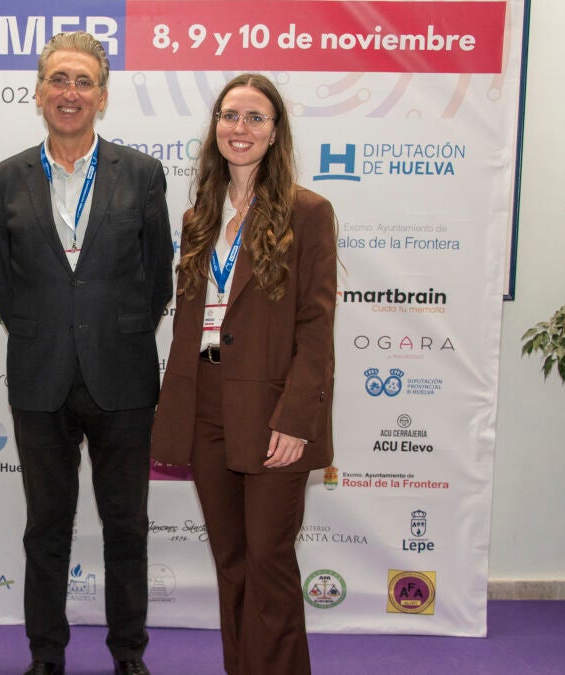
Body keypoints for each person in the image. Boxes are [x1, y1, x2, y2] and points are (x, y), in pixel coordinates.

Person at [0, 31, 173, 675]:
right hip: (40, 378)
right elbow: (2, 281)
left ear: (102, 95)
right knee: (45, 528)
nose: (70, 93)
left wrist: (110, 332)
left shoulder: (141, 174)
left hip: (122, 377)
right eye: (58, 80)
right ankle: (46, 655)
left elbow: (157, 279)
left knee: (127, 526)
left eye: (83, 81)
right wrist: (49, 332)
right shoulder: (5, 178)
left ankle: (128, 653)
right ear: (39, 92)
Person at [149, 74, 337, 675]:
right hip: (206, 403)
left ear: (275, 132)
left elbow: (316, 326)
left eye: (256, 118)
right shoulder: (199, 216)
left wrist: (297, 419)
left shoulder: (308, 213)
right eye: (230, 116)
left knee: (268, 561)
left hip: (272, 410)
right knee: (231, 563)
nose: (240, 128)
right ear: (215, 128)